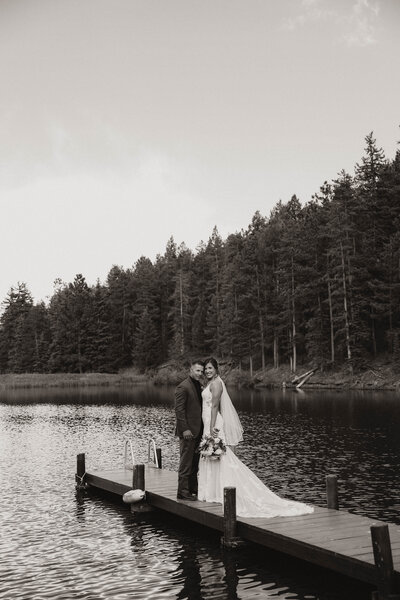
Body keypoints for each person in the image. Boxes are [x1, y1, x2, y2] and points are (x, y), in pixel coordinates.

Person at [197, 357, 314, 518]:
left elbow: (215, 405)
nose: (208, 371)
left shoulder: (217, 383)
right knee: (212, 456)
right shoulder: (210, 383)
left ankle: (222, 492)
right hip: (208, 420)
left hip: (213, 422)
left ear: (216, 369)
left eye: (210, 368)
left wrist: (211, 428)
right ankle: (214, 492)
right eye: (206, 369)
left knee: (220, 456)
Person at [174, 359, 204, 500]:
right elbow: (179, 411)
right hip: (188, 432)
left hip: (198, 431)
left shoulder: (198, 385)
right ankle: (182, 492)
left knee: (194, 464)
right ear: (191, 370)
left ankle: (193, 488)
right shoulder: (183, 387)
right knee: (185, 463)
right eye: (197, 370)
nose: (200, 373)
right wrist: (185, 429)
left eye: (201, 371)